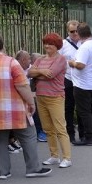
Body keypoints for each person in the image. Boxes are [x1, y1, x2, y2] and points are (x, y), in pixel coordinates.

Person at [0, 34, 51, 180]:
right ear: (3, 46)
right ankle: (33, 168)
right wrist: (31, 103)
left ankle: (2, 171)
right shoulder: (11, 63)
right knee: (28, 135)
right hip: (14, 108)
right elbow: (22, 85)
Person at [29, 32, 71, 168]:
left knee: (60, 128)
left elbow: (51, 75)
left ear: (57, 45)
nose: (47, 46)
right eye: (46, 43)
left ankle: (67, 157)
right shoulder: (40, 59)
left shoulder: (61, 59)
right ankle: (54, 156)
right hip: (41, 96)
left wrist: (38, 73)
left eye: (51, 44)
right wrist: (42, 72)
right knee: (48, 129)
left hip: (55, 97)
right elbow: (29, 73)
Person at [68, 22, 92, 146]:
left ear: (79, 33)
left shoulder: (84, 47)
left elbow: (81, 65)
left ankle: (88, 137)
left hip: (82, 84)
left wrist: (72, 63)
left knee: (84, 112)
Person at [15, 49, 45, 143]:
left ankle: (41, 131)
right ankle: (37, 132)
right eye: (29, 59)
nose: (30, 61)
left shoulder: (30, 69)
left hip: (30, 94)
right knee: (36, 104)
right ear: (23, 60)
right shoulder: (15, 69)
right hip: (18, 97)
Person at [61, 19, 80, 143]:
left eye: (76, 31)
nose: (74, 33)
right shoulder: (63, 44)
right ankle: (70, 132)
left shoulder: (84, 43)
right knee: (69, 107)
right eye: (72, 31)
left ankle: (84, 132)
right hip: (68, 78)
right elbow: (58, 59)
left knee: (81, 107)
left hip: (81, 79)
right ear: (68, 31)